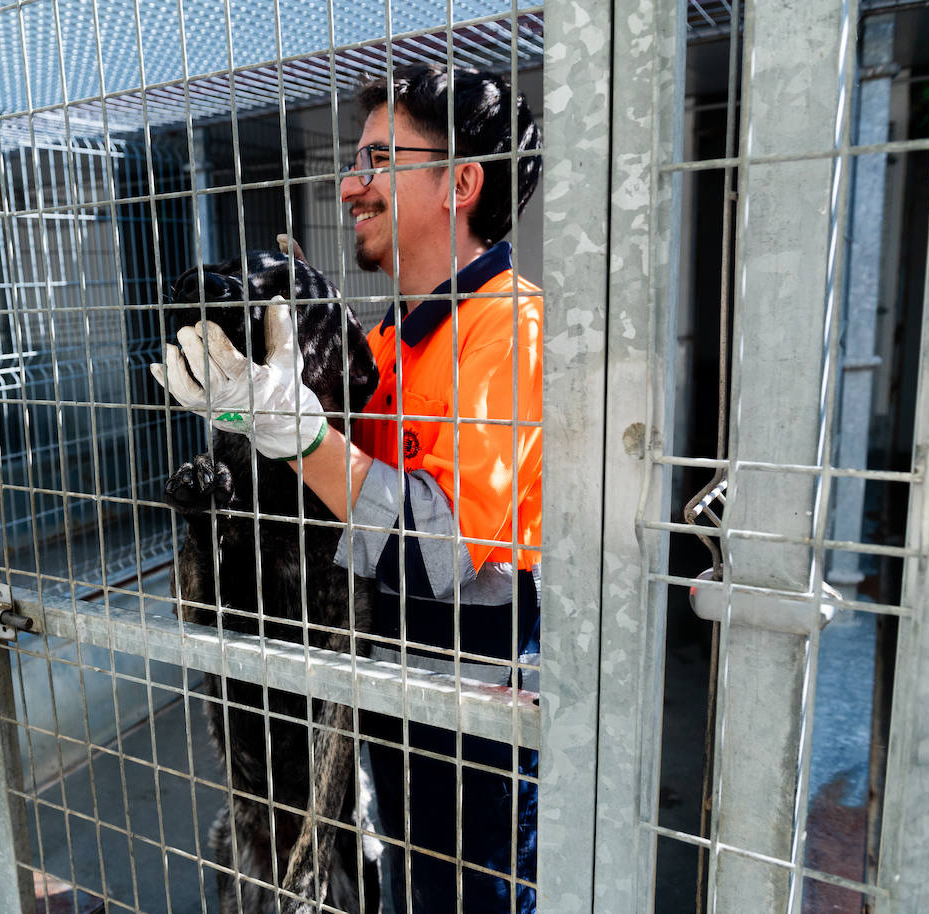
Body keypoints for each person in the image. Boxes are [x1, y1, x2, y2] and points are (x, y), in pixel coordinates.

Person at [153, 63, 542, 913]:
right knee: (403, 882)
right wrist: (238, 414)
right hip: (388, 676)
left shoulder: (508, 330)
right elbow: (310, 482)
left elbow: (442, 550)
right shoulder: (392, 335)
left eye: (377, 160)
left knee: (468, 897)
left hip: (476, 688)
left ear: (462, 183)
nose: (349, 183)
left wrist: (295, 429)